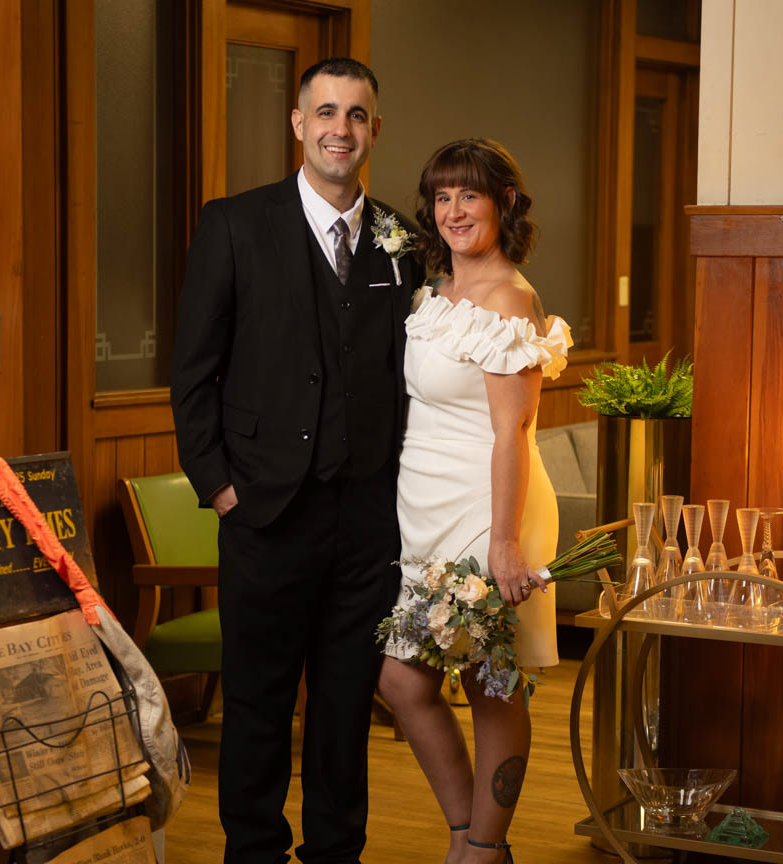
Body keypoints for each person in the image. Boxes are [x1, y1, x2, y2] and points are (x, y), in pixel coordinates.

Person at [170, 57, 424, 864]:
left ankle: (335, 855)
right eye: (325, 112)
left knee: (345, 708)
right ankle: (252, 853)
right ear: (298, 123)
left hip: (367, 521)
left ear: (374, 129)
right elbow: (192, 372)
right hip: (264, 513)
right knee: (257, 705)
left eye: (355, 115)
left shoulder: (401, 241)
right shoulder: (234, 225)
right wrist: (219, 487)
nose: (339, 129)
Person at [378, 139, 571, 864]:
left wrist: (503, 543)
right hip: (422, 510)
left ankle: (483, 847)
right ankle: (470, 838)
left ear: (504, 204)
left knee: (492, 685)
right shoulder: (432, 296)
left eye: (470, 195)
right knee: (402, 683)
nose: (454, 211)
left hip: (487, 511)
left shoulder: (509, 301)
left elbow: (512, 430)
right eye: (442, 197)